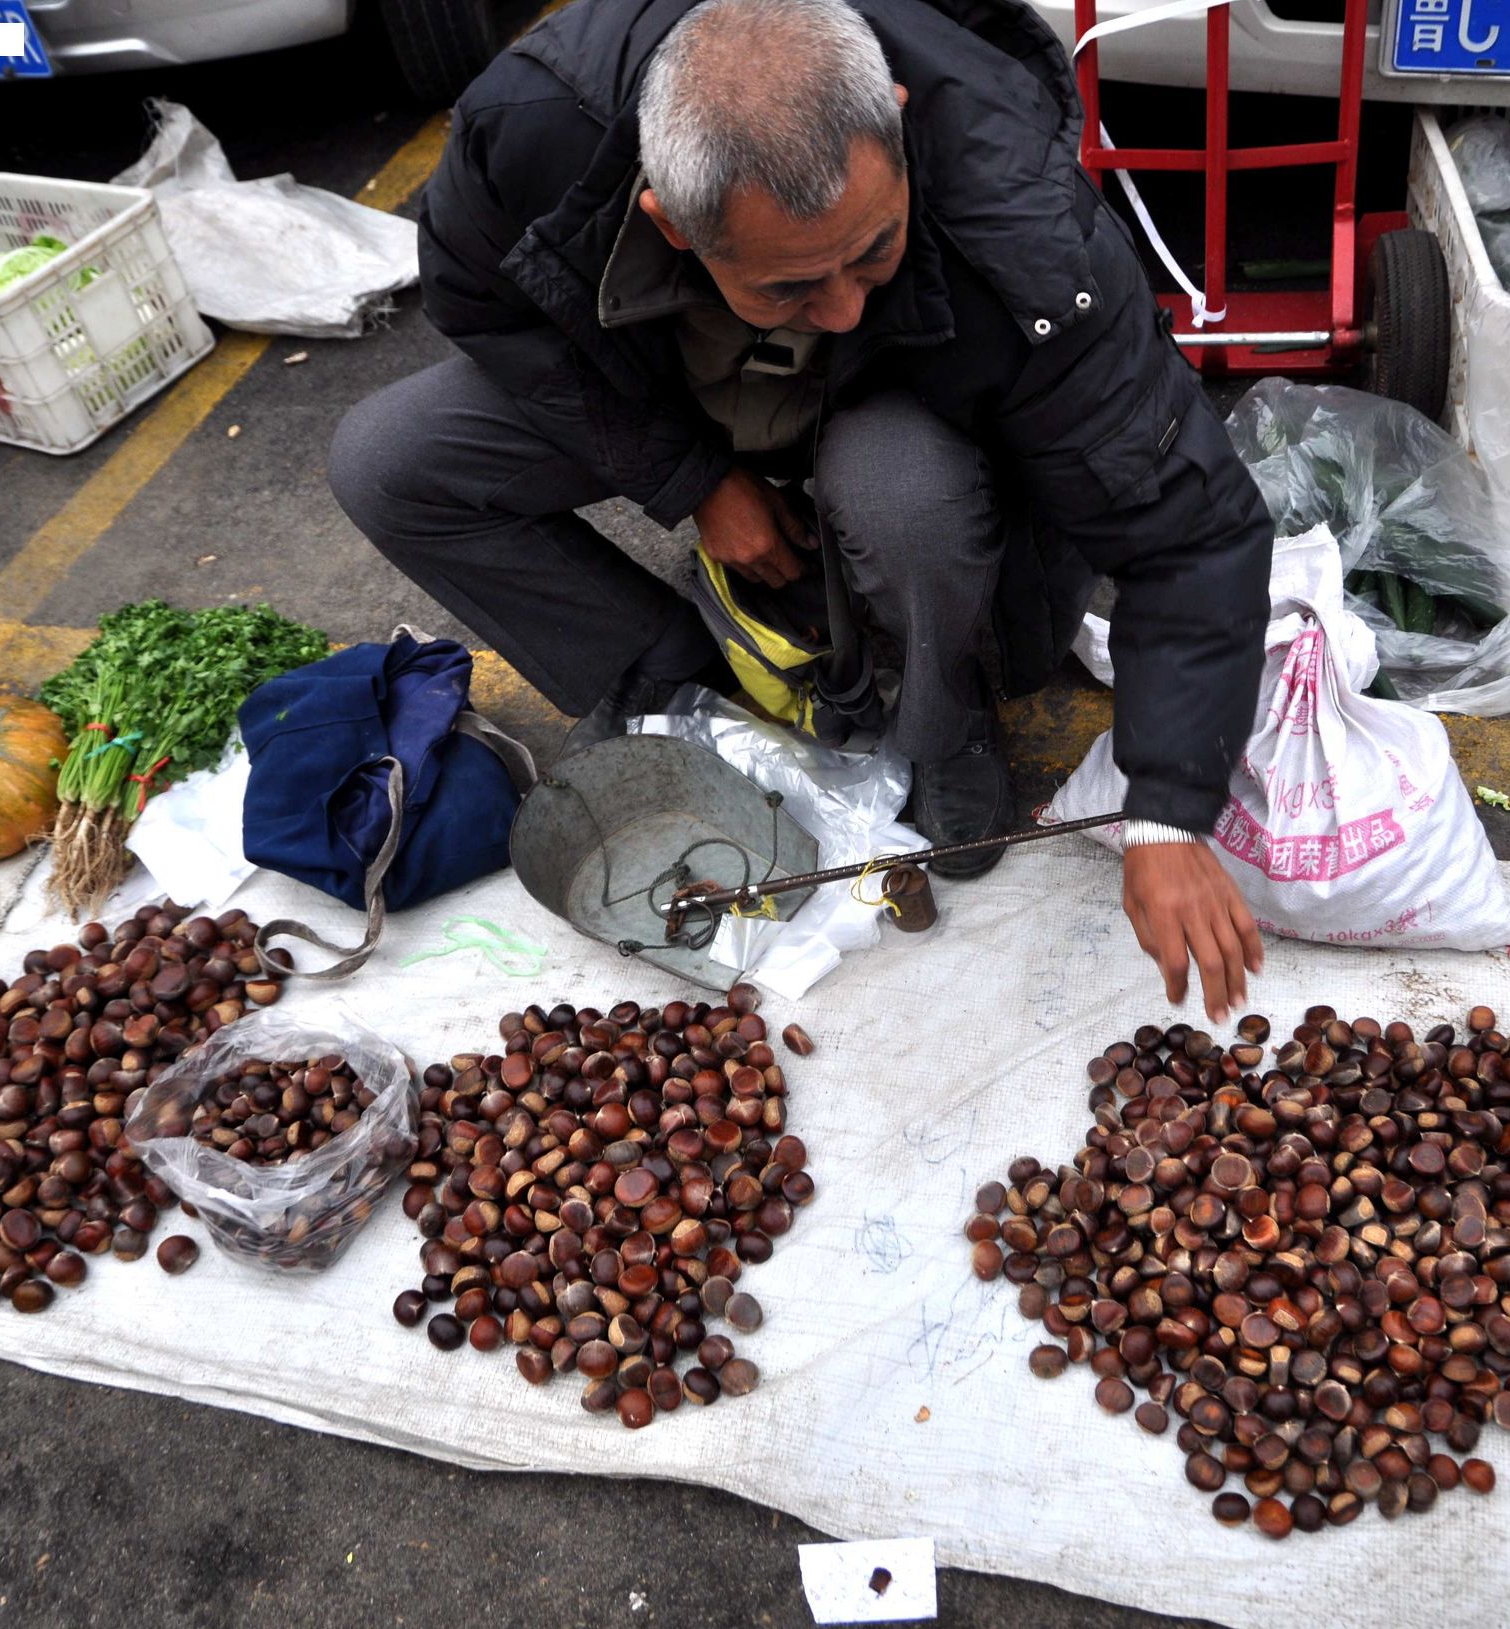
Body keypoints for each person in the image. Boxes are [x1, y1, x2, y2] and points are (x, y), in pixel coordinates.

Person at [329, 0, 1273, 1018]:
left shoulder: (1024, 230)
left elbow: (1190, 529)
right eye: (788, 285)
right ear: (670, 222)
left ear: (900, 125)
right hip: (676, 387)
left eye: (873, 251)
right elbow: (483, 304)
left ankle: (944, 718)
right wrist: (690, 478)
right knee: (391, 462)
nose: (842, 308)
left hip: (909, 405)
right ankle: (673, 682)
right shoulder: (533, 128)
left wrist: (1169, 814)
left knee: (904, 498)